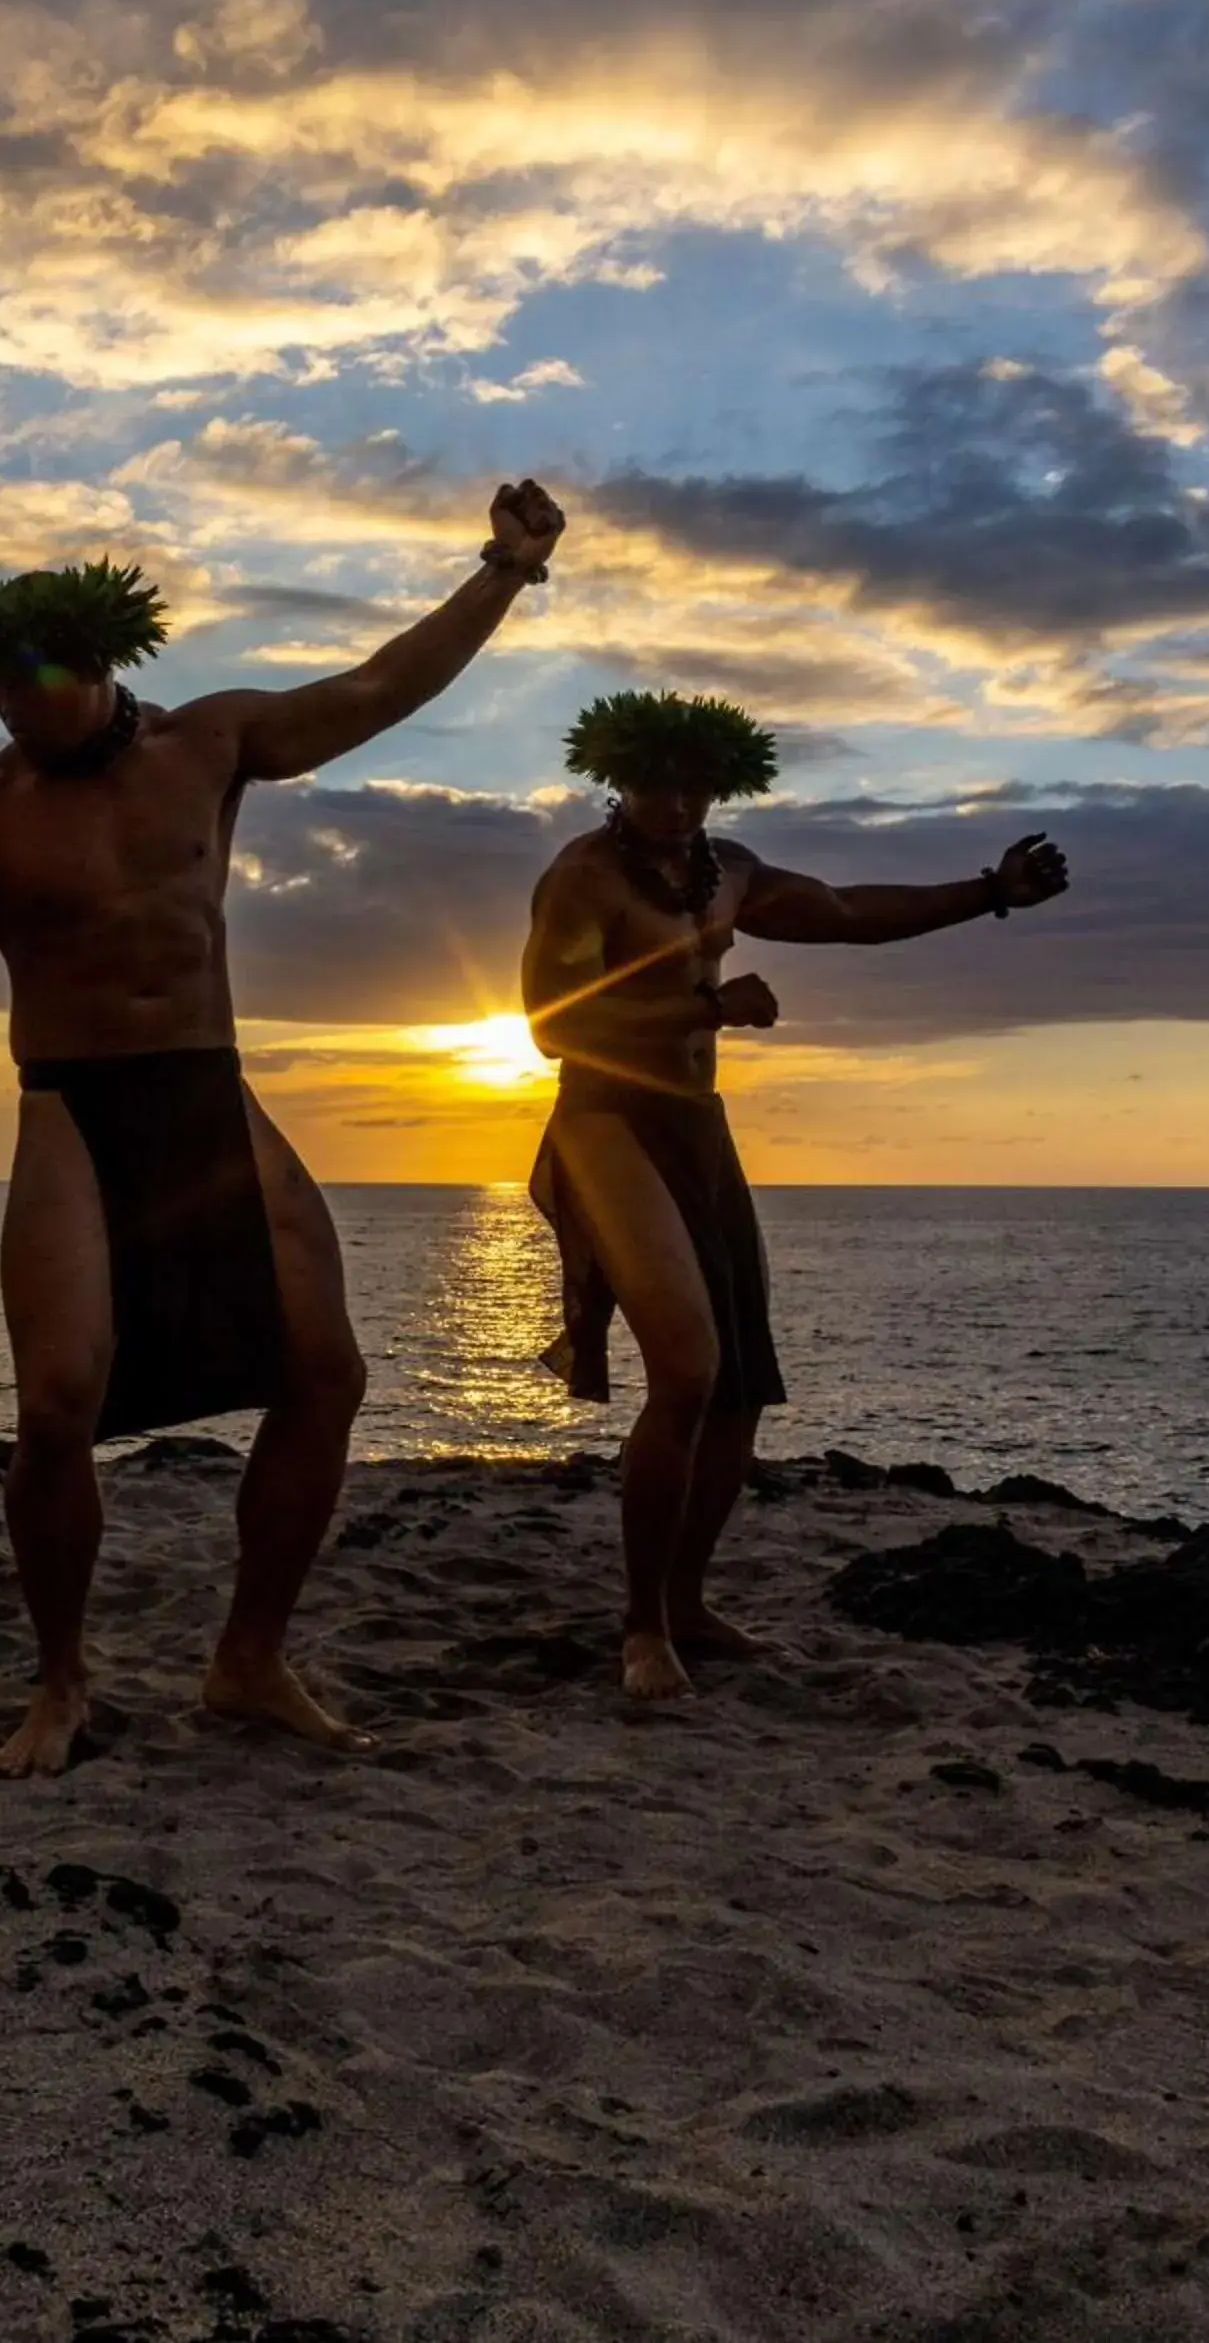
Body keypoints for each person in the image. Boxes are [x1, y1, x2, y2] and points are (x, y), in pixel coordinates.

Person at [0, 490, 566, 1773]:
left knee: (324, 1376)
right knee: (58, 1400)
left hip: (208, 1089)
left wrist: (503, 574)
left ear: (104, 662)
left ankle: (246, 1659)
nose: (18, 712)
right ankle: (61, 1683)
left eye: (41, 686)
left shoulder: (212, 743)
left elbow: (376, 686)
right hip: (71, 1107)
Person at [522, 689, 1070, 1703]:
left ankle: (685, 1602)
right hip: (602, 1124)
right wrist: (703, 1006)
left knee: (737, 1385)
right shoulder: (581, 878)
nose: (678, 802)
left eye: (696, 786)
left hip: (696, 1128)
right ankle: (641, 1627)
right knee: (684, 1369)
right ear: (618, 779)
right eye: (657, 783)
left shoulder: (724, 871)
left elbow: (848, 912)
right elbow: (550, 1027)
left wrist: (987, 891)